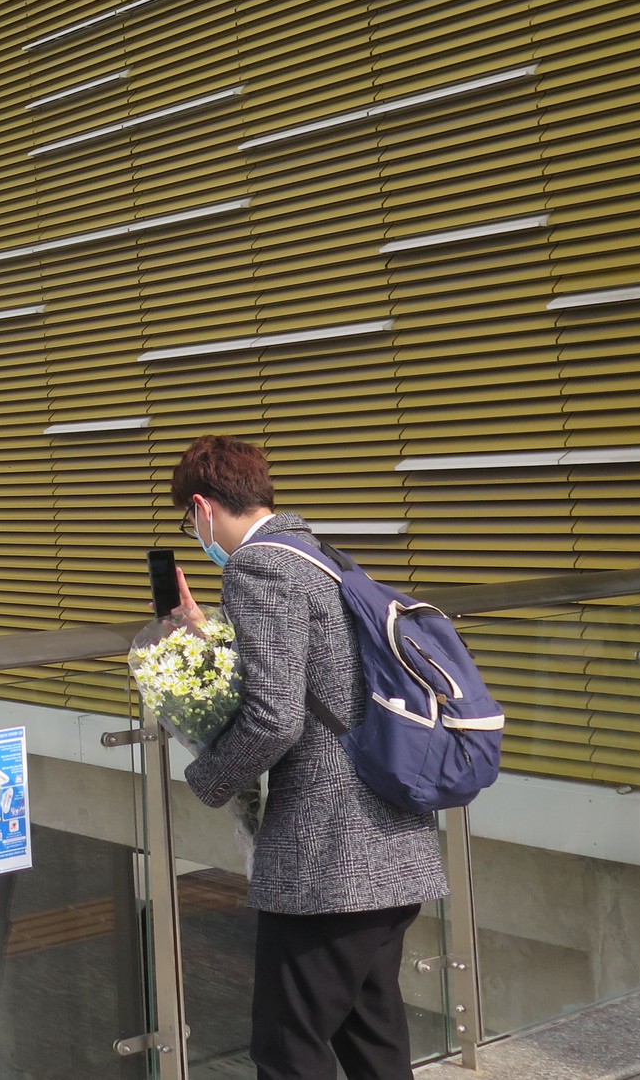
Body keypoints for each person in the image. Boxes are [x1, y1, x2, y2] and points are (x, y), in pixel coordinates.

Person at [166, 436, 445, 1080]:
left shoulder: (257, 568)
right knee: (372, 1037)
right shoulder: (319, 556)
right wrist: (210, 639)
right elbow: (316, 673)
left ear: (203, 507)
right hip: (390, 841)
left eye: (188, 520)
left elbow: (275, 717)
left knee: (288, 1048)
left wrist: (209, 778)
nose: (195, 534)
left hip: (330, 863)